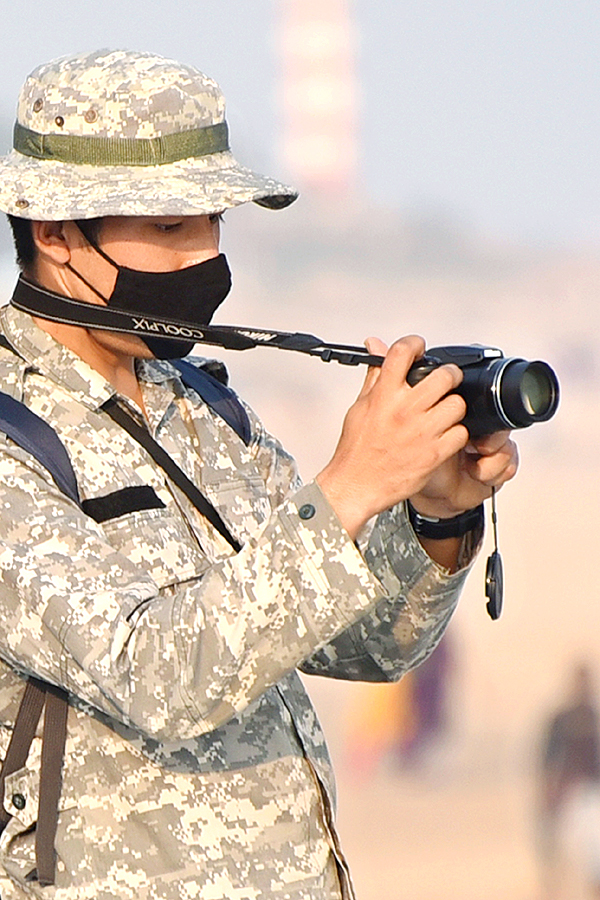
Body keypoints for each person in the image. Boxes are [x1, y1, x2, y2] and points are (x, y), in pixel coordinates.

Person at [0, 49, 518, 899]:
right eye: (169, 227)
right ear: (56, 233)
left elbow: (361, 642)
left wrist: (431, 517)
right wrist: (350, 485)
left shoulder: (204, 408)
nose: (203, 254)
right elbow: (157, 675)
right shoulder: (13, 440)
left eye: (214, 223)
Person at [537, 663, 600, 899]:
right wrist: (551, 794)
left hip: (590, 795)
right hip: (569, 795)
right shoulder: (562, 719)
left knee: (593, 859)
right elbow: (550, 760)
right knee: (563, 859)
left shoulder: (593, 717)